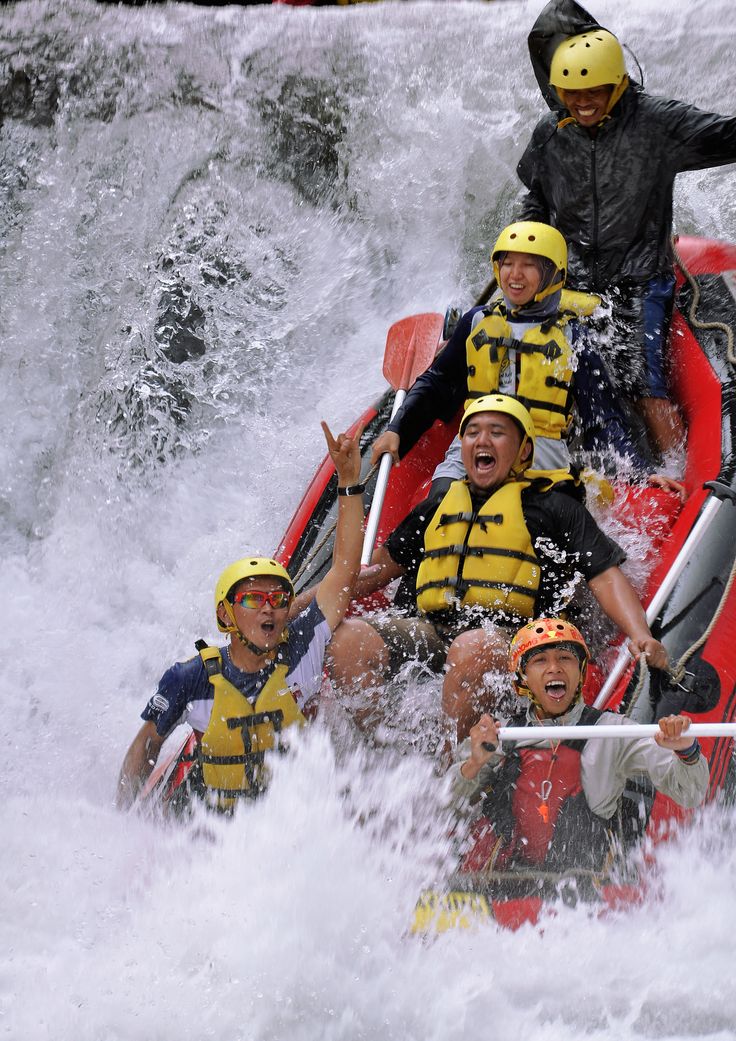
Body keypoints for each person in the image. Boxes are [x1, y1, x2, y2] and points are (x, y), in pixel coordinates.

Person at [327, 394, 667, 742]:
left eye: (497, 432)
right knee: (348, 639)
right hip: (434, 632)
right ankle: (383, 749)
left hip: (515, 641)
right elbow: (369, 575)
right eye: (472, 432)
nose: (482, 440)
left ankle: (454, 768)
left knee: (471, 648)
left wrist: (640, 634)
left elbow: (605, 577)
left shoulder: (555, 509)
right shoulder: (437, 508)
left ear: (523, 450)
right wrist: (299, 604)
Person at [516, 0, 736, 456]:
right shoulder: (550, 134)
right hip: (573, 281)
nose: (582, 102)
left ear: (616, 82)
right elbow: (535, 198)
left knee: (643, 386)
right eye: (571, 93)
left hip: (639, 278)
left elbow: (726, 135)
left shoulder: (658, 123)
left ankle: (676, 476)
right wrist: (526, 253)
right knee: (553, 374)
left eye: (593, 91)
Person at [116, 419, 366, 812]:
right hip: (212, 818)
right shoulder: (191, 679)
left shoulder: (302, 647)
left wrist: (349, 482)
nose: (269, 607)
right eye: (253, 599)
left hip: (287, 820)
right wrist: (121, 821)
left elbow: (345, 571)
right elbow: (146, 746)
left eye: (278, 598)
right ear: (225, 614)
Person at [371, 220, 682, 497]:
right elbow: (437, 384)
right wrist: (397, 429)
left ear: (552, 274)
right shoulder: (476, 322)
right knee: (433, 510)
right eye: (507, 263)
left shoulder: (574, 338)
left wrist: (639, 474)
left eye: (528, 266)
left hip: (541, 460)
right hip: (471, 453)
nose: (515, 275)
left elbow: (601, 420)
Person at [453, 617, 708, 879]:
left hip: (582, 887)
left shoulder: (614, 732)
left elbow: (690, 795)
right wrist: (474, 763)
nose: (554, 668)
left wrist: (686, 752)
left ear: (581, 671)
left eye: (565, 658)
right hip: (502, 881)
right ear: (523, 678)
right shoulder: (499, 735)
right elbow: (446, 808)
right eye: (540, 660)